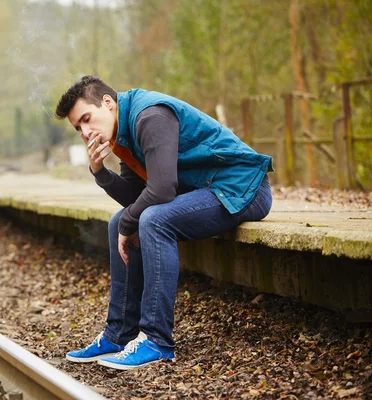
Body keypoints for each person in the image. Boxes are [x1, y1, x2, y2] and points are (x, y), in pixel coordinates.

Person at [54, 76, 273, 370]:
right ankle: (119, 335)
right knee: (119, 220)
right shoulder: (122, 131)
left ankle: (157, 341)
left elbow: (161, 190)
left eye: (86, 119)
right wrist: (100, 173)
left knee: (153, 220)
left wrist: (129, 222)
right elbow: (136, 194)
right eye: (78, 128)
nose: (85, 132)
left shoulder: (150, 116)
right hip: (207, 190)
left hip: (243, 189)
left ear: (107, 103)